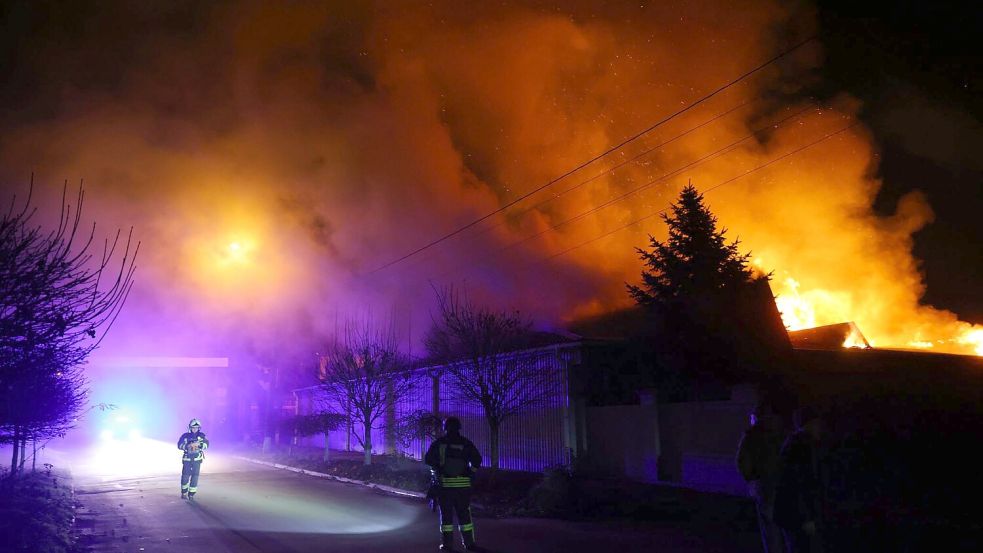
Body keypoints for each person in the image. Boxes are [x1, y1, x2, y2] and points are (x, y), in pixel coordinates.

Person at [424, 417, 482, 552]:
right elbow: (477, 460)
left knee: (446, 517)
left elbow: (428, 460)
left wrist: (437, 470)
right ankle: (469, 543)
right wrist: (470, 473)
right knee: (465, 516)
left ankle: (447, 545)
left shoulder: (439, 443)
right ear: (459, 428)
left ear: (445, 428)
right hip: (463, 487)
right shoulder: (466, 443)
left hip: (445, 486)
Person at [737, 402, 787, 553]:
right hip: (785, 485)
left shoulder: (752, 435)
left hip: (765, 485)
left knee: (771, 531)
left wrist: (752, 479)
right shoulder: (782, 432)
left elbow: (743, 462)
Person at [774, 407, 826, 553]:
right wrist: (807, 517)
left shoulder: (796, 444)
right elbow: (799, 484)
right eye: (817, 423)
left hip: (792, 514)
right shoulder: (801, 446)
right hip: (796, 516)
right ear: (810, 424)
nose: (821, 427)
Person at [177, 418, 210, 500]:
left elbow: (207, 444)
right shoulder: (185, 436)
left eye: (196, 428)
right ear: (190, 427)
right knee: (185, 476)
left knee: (195, 477)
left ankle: (191, 494)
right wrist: (187, 446)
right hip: (187, 460)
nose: (194, 429)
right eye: (193, 427)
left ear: (199, 428)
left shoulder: (201, 436)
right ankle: (184, 492)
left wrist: (200, 445)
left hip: (197, 460)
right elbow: (179, 445)